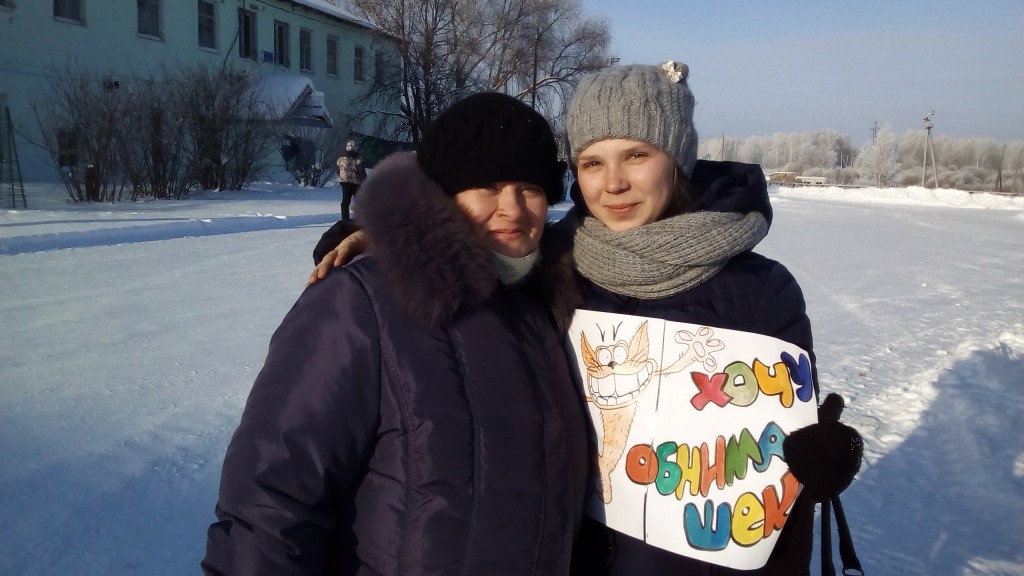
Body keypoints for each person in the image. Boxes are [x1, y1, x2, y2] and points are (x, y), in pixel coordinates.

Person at [309, 62, 863, 576]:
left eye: (637, 155)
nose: (612, 183)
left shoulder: (762, 291)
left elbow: (776, 445)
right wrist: (388, 238)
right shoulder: (555, 262)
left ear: (676, 158)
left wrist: (818, 463)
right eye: (593, 163)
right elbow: (471, 245)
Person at [203, 92, 589, 575]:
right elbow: (270, 504)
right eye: (486, 186)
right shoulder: (360, 304)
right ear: (445, 195)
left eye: (529, 188)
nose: (512, 209)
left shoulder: (546, 303)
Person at [336, 138, 365, 220]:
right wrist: (364, 180)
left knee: (345, 201)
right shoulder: (357, 157)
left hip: (344, 181)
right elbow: (361, 169)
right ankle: (360, 219)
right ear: (354, 147)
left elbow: (338, 169)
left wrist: (342, 176)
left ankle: (345, 219)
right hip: (355, 181)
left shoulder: (340, 156)